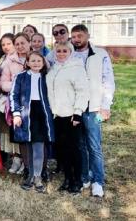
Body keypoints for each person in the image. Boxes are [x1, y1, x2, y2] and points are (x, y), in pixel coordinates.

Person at [70, 24, 115, 198]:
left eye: (80, 35)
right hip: (76, 108)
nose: (76, 39)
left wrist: (106, 106)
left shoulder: (100, 54)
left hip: (95, 108)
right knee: (80, 145)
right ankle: (84, 177)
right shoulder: (70, 54)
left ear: (88, 35)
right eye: (73, 36)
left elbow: (108, 80)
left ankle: (98, 181)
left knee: (94, 145)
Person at [46, 41, 89, 194]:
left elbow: (83, 91)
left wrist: (78, 111)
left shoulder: (76, 68)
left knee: (74, 150)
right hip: (57, 115)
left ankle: (77, 181)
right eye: (59, 51)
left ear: (70, 52)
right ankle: (67, 179)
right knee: (62, 149)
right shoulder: (53, 68)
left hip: (71, 116)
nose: (62, 53)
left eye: (65, 51)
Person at [12, 52, 55, 192]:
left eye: (39, 60)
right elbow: (14, 95)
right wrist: (16, 114)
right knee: (28, 145)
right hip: (26, 114)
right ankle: (30, 175)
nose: (36, 63)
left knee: (39, 145)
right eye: (33, 61)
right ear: (28, 62)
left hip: (42, 114)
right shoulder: (21, 77)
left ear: (43, 63)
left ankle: (38, 176)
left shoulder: (46, 77)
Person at [0, 32, 30, 175]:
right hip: (16, 101)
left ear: (29, 43)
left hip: (32, 102)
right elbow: (3, 82)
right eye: (17, 44)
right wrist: (17, 86)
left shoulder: (36, 59)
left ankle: (27, 161)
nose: (20, 46)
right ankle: (17, 159)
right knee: (16, 131)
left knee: (29, 132)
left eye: (22, 43)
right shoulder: (11, 62)